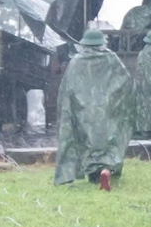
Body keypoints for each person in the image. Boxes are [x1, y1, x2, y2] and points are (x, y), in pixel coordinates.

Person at [53, 29, 135, 189]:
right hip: (107, 109)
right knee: (109, 138)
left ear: (84, 44)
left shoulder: (76, 61)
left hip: (83, 110)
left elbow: (67, 88)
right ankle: (106, 168)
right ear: (101, 43)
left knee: (86, 141)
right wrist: (114, 99)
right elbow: (125, 81)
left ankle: (93, 172)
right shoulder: (111, 58)